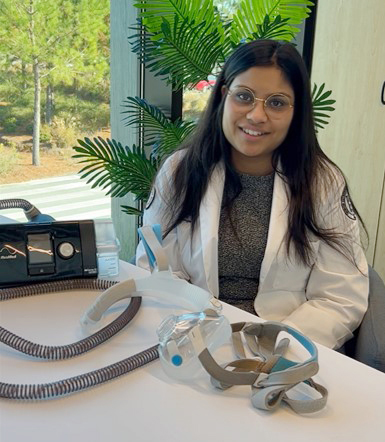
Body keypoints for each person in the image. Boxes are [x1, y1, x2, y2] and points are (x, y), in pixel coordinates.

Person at [136, 39, 369, 350]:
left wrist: (274, 348)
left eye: (276, 102)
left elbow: (340, 295)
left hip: (287, 348)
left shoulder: (322, 182)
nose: (257, 116)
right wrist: (200, 337)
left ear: (296, 110)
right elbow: (157, 269)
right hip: (193, 340)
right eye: (244, 97)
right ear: (223, 96)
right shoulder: (180, 170)